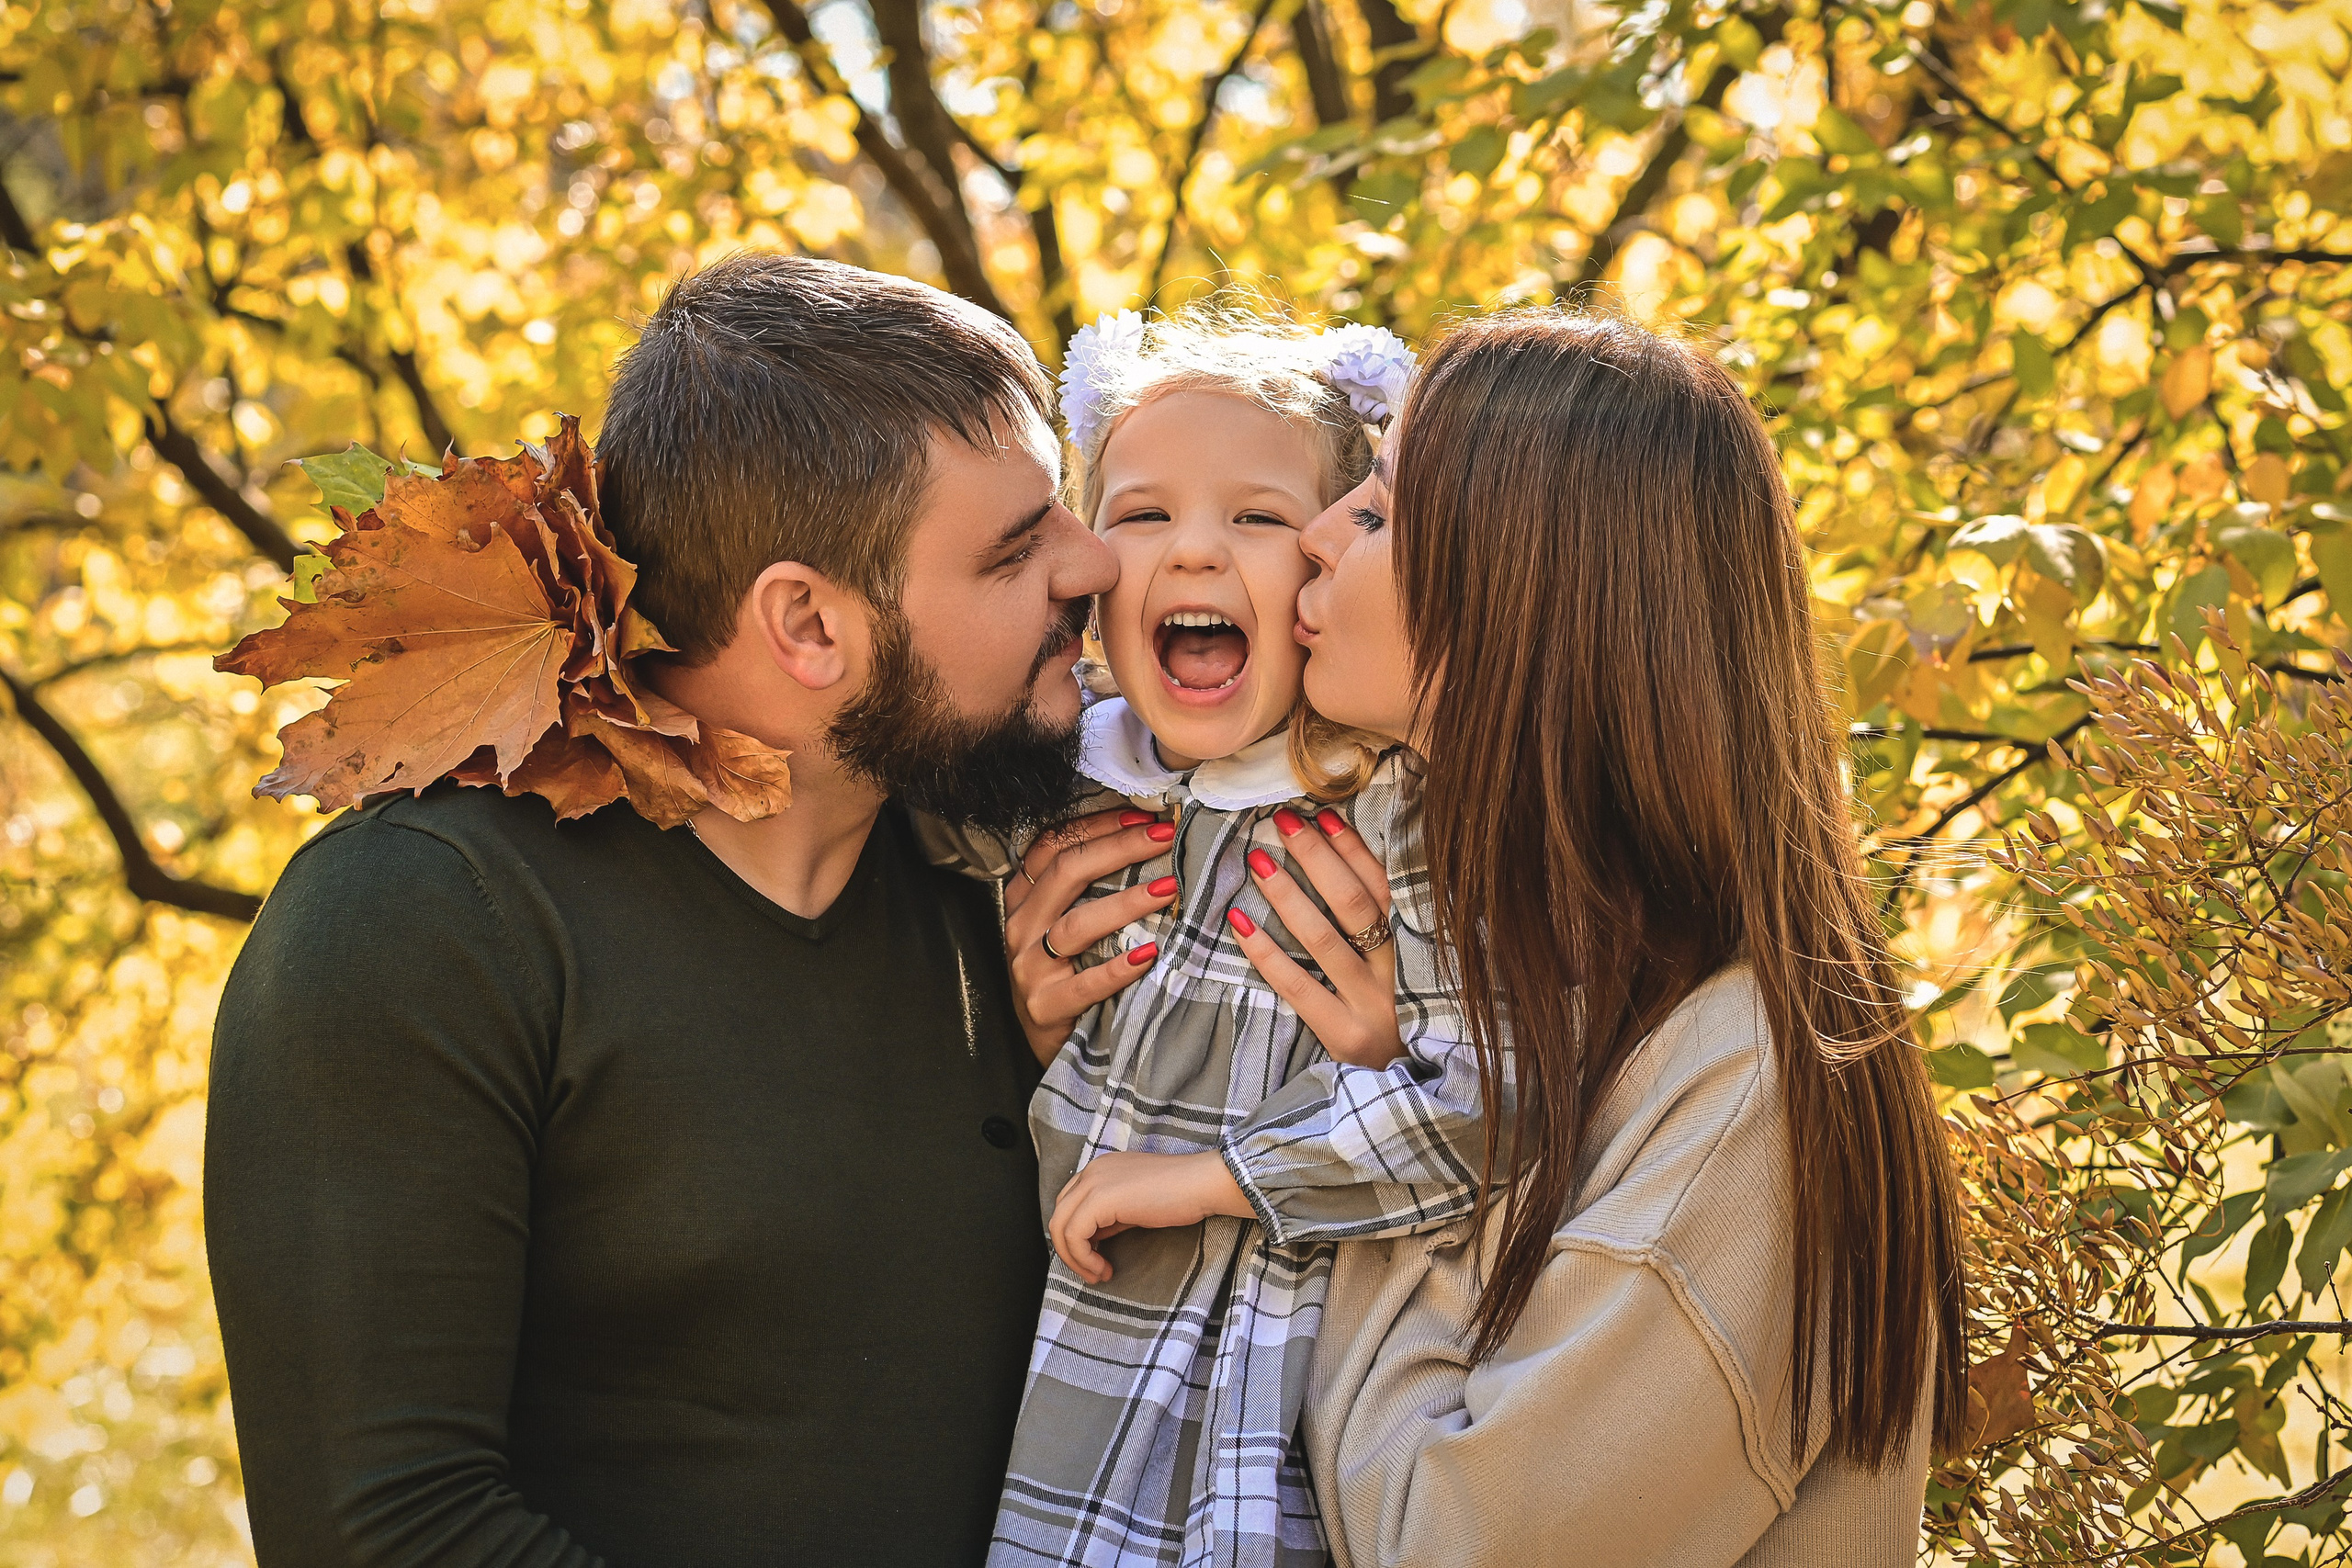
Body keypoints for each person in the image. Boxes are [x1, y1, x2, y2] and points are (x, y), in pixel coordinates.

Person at [201, 253, 1161, 1567]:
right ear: (808, 625)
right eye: (1017, 548)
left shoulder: (998, 892)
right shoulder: (430, 923)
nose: (1094, 561)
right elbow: (386, 1532)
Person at [1020, 307, 1968, 1563]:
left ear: (1521, 600)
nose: (1313, 532)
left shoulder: (1743, 1085)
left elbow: (1446, 1543)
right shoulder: (1508, 959)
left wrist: (1366, 1116)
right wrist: (1050, 1040)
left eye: (1379, 511)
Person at [967, 311, 1497, 1568]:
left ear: (1320, 585)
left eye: (1259, 520)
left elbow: (1487, 1098)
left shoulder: (1382, 810)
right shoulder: (1060, 780)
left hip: (1261, 1369)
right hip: (1051, 1355)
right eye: (1143, 515)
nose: (1195, 549)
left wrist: (1211, 1181)